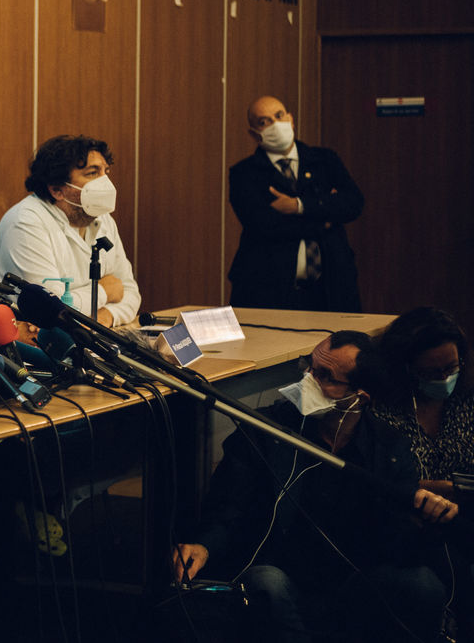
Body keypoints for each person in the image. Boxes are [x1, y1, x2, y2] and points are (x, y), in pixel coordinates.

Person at [172, 332, 454, 643]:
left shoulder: (388, 448)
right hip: (281, 571)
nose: (307, 378)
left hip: (353, 580)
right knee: (266, 582)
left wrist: (425, 521)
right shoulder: (267, 429)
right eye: (309, 366)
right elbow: (228, 508)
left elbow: (396, 540)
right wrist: (205, 545)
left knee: (422, 586)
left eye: (324, 375)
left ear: (359, 397)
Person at [0, 134, 140, 326]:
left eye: (106, 172)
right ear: (57, 189)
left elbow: (130, 292)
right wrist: (105, 291)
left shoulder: (102, 218)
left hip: (86, 333)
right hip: (26, 338)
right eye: (93, 173)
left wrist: (105, 317)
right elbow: (50, 310)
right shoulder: (25, 222)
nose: (105, 182)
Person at [227, 95, 364, 311]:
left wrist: (298, 206)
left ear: (290, 119)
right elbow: (263, 224)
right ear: (254, 133)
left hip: (332, 285)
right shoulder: (244, 173)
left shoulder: (325, 160)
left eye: (279, 116)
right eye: (264, 122)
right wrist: (325, 219)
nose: (275, 124)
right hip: (268, 287)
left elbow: (353, 203)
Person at [366, 307, 474, 499]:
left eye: (451, 368)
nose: (444, 378)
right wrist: (445, 489)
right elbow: (381, 481)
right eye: (431, 372)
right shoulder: (380, 412)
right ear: (405, 370)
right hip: (407, 510)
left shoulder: (466, 397)